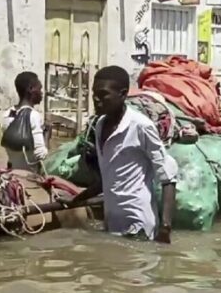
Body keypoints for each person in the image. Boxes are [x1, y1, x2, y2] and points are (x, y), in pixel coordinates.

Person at [65, 66, 177, 244]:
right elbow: (108, 178)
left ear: (123, 94)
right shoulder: (100, 125)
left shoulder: (141, 127)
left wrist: (165, 227)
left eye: (103, 95)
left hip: (138, 223)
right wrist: (77, 199)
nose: (96, 99)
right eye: (94, 94)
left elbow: (168, 178)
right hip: (112, 222)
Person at [1, 71, 50, 173]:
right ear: (31, 89)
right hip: (29, 174)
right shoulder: (34, 116)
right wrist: (47, 135)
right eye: (39, 89)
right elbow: (41, 155)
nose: (41, 93)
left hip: (12, 172)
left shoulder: (7, 114)